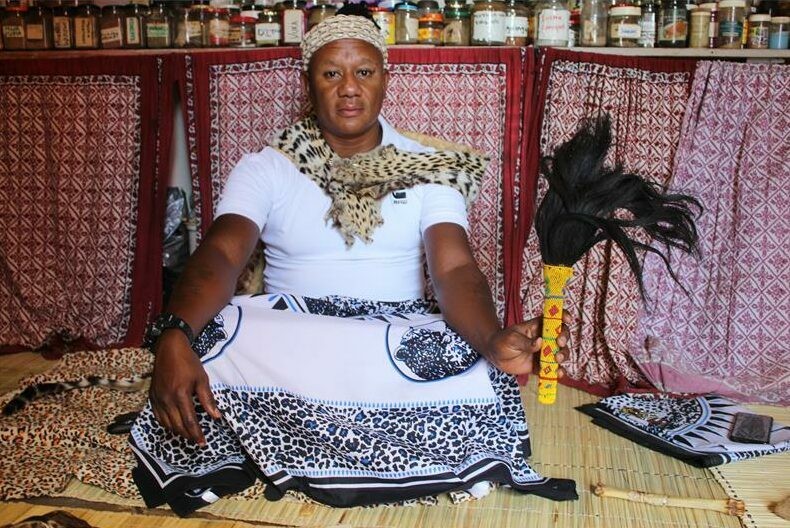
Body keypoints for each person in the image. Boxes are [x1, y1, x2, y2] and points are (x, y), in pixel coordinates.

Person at [130, 9, 576, 515]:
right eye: (331, 73)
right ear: (308, 84)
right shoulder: (266, 167)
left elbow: (453, 268)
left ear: (384, 78)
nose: (348, 88)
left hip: (390, 340)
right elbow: (221, 253)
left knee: (469, 356)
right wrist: (173, 334)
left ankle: (296, 434)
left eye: (363, 71)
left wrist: (491, 340)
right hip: (293, 336)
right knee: (214, 332)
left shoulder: (430, 168)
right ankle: (368, 440)